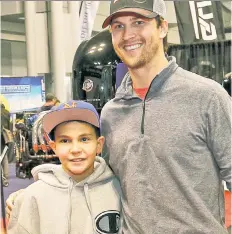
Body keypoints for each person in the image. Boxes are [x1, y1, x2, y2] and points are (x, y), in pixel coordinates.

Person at [6, 0, 231, 233]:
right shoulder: (112, 113)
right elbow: (93, 174)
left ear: (162, 27)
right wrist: (34, 197)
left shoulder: (208, 97)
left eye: (138, 22)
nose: (128, 35)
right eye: (118, 26)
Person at [7, 100, 122, 234]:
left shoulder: (118, 190)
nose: (75, 149)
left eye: (84, 139)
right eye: (65, 141)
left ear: (99, 144)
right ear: (54, 147)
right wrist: (22, 199)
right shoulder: (33, 197)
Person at [1, 103, 11, 187]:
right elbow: (8, 126)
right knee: (4, 156)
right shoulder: (7, 112)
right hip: (5, 137)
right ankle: (5, 175)